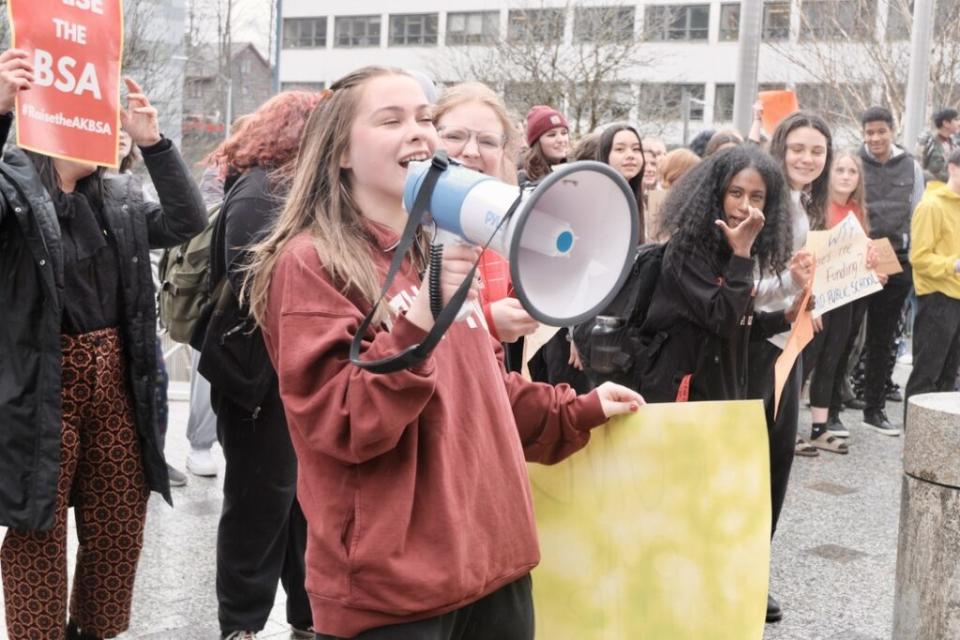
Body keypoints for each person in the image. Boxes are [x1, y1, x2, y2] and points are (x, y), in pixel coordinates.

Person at [242, 66, 643, 640]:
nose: (419, 133)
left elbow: (481, 389)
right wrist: (422, 318)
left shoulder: (436, 251)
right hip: (396, 592)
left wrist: (575, 410)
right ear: (340, 154)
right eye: (391, 119)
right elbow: (343, 422)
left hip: (492, 566)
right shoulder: (313, 263)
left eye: (426, 118)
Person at [0, 49, 207, 639]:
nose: (113, 134)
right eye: (104, 124)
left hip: (116, 375)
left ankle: (94, 630)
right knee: (37, 528)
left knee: (119, 523)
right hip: (44, 381)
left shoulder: (117, 195)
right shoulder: (14, 187)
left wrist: (157, 144)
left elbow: (189, 224)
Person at [200, 91, 323, 640]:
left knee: (303, 502)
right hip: (257, 376)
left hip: (287, 368)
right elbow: (256, 286)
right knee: (259, 501)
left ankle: (307, 614)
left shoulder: (298, 191)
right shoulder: (259, 191)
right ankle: (242, 625)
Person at [749, 111, 828, 622]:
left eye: (817, 151)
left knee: (778, 462)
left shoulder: (802, 205)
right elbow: (750, 289)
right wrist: (797, 288)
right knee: (760, 462)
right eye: (798, 148)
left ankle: (756, 571)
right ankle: (747, 574)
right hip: (757, 347)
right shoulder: (767, 205)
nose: (807, 158)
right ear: (780, 148)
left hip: (788, 344)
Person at [639, 146, 794, 404]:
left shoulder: (732, 247)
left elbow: (741, 325)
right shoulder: (687, 249)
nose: (745, 206)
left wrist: (786, 317)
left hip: (722, 390)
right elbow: (722, 318)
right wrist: (742, 254)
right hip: (682, 395)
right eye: (736, 193)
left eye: (757, 197)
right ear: (716, 194)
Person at [432, 81, 539, 360]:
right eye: (455, 136)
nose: (471, 151)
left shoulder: (498, 222)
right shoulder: (408, 228)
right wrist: (487, 324)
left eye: (488, 141)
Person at [801, 150, 882, 453]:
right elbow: (805, 255)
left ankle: (819, 427)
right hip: (816, 298)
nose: (847, 176)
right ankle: (786, 426)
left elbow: (859, 252)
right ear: (828, 173)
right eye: (840, 170)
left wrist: (872, 260)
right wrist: (812, 299)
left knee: (832, 359)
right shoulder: (815, 208)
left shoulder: (856, 210)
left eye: (852, 172)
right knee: (806, 361)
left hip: (845, 297)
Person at [858, 106, 925, 434]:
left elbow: (918, 214)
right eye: (869, 132)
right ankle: (826, 411)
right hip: (858, 257)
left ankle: (874, 409)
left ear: (892, 130)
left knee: (883, 338)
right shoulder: (854, 163)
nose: (875, 138)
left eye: (880, 131)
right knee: (842, 338)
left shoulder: (911, 166)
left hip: (895, 258)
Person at [904, 148, 960, 406]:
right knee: (926, 377)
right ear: (952, 167)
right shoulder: (931, 205)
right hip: (937, 298)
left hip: (956, 298)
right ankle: (915, 445)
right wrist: (955, 265)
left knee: (949, 380)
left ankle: (936, 445)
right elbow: (919, 258)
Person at [518, 105, 569, 184]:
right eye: (552, 135)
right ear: (536, 142)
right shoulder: (523, 178)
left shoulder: (575, 169)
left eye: (564, 133)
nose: (561, 140)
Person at [917, 107, 959, 184]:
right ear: (946, 123)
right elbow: (919, 166)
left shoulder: (954, 143)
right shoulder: (928, 141)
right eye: (956, 120)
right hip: (931, 188)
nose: (958, 123)